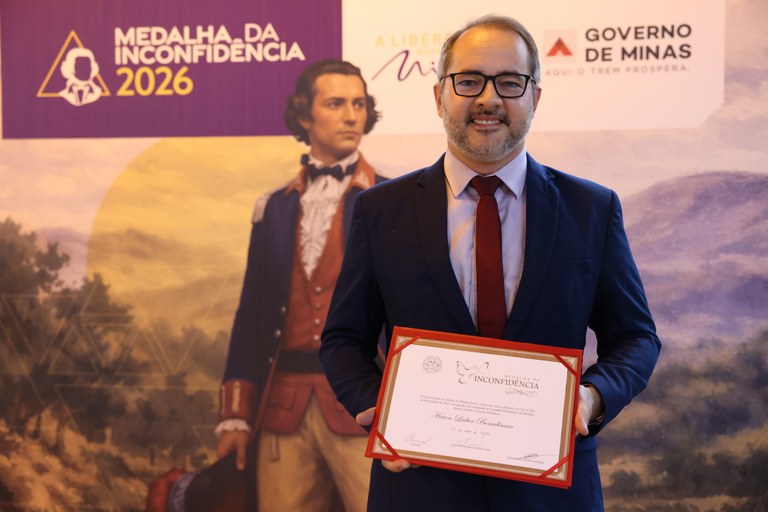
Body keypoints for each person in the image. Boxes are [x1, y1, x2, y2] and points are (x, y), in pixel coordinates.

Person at [320, 15, 661, 512]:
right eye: (469, 81)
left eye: (509, 82)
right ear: (439, 96)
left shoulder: (592, 209)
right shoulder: (379, 210)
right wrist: (380, 410)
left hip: (552, 494)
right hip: (419, 488)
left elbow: (636, 338)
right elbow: (343, 340)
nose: (488, 98)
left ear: (535, 97)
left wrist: (592, 397)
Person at [216, 58, 385, 512]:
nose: (351, 116)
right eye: (336, 104)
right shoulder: (272, 208)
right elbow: (252, 316)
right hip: (282, 410)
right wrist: (236, 415)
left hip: (365, 406)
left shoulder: (391, 200)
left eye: (359, 104)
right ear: (305, 116)